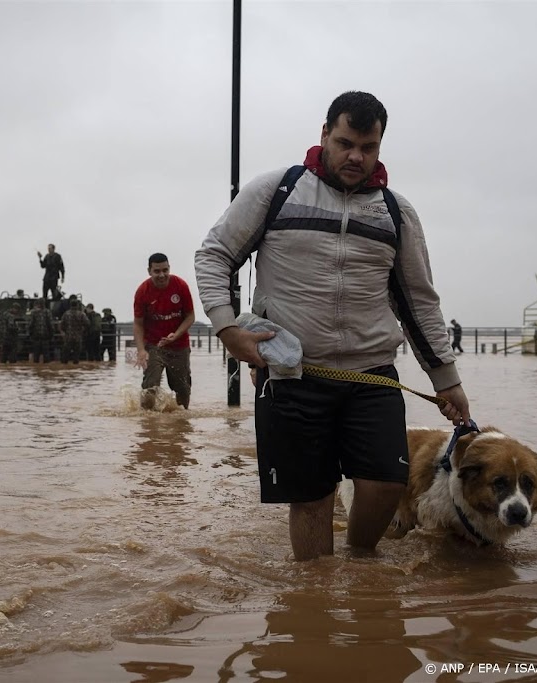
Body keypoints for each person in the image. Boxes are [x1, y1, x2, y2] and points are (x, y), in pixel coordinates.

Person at [194, 91, 470, 561]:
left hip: (371, 373)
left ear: (380, 146)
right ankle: (315, 596)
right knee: (312, 498)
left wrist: (447, 382)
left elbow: (419, 303)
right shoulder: (276, 190)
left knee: (387, 482)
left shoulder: (397, 213)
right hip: (294, 375)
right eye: (345, 143)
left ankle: (361, 564)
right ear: (324, 134)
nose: (355, 156)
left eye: (368, 147)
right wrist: (227, 330)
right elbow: (214, 255)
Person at [133, 253, 195, 410]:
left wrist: (176, 334)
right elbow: (138, 324)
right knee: (150, 386)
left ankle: (180, 424)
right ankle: (148, 424)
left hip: (179, 344)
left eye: (165, 270)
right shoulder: (143, 291)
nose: (162, 275)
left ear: (169, 269)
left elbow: (190, 316)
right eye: (157, 271)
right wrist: (141, 350)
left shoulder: (180, 286)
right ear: (149, 271)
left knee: (182, 388)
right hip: (154, 345)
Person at [60, 299, 89, 364]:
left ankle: (65, 370)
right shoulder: (81, 314)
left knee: (65, 356)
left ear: (70, 305)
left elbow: (62, 325)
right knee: (76, 357)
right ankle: (75, 370)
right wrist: (82, 330)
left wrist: (65, 332)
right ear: (77, 305)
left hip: (68, 337)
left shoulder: (66, 314)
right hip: (78, 337)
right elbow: (87, 323)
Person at [27, 298, 54, 363]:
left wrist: (30, 333)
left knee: (36, 355)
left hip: (36, 336)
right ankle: (45, 370)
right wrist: (51, 334)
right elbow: (50, 324)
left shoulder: (34, 312)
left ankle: (36, 369)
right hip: (45, 336)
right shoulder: (47, 312)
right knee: (46, 355)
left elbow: (31, 324)